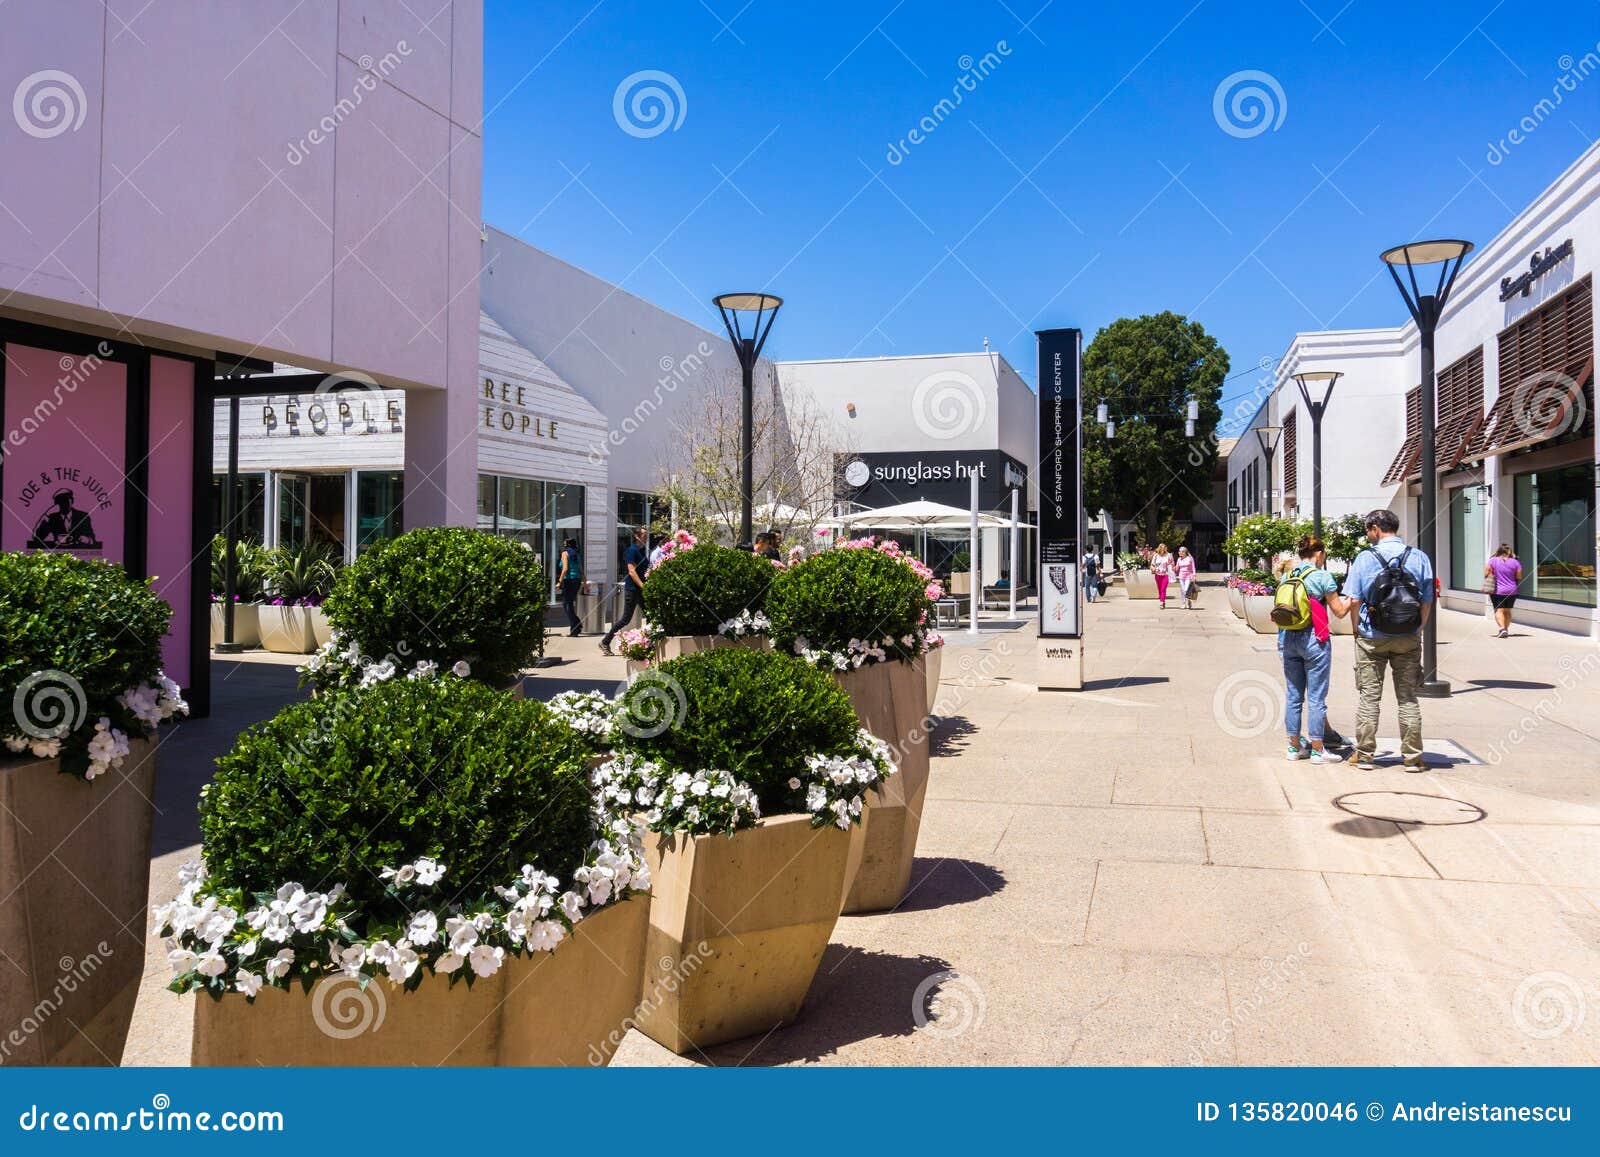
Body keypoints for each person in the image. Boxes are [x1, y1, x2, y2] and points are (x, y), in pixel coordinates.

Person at [1342, 508, 1434, 770]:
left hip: (1372, 636)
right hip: (1408, 636)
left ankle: (1365, 755)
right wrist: (1418, 629)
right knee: (1408, 698)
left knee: (1369, 697)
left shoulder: (1365, 558)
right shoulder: (1419, 557)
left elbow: (1355, 599)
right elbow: (1426, 601)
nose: (1367, 534)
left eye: (1367, 530)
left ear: (1376, 528)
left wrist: (1356, 629)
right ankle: (1413, 758)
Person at [1276, 536, 1346, 764]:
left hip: (1289, 640)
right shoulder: (1322, 576)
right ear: (1319, 554)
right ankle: (1317, 750)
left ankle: (1294, 748)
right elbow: (1339, 611)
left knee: (1294, 696)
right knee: (1316, 698)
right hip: (1315, 640)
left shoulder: (1287, 576)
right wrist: (1353, 599)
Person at [600, 527, 650, 655]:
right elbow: (632, 571)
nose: (647, 536)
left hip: (640, 589)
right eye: (644, 534)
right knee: (625, 619)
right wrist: (642, 586)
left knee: (651, 614)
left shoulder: (642, 550)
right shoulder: (631, 551)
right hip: (633, 590)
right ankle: (605, 641)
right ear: (637, 536)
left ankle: (649, 642)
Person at [1484, 543, 1522, 639]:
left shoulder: (1492, 560)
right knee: (1507, 610)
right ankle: (1505, 629)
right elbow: (1519, 576)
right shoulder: (1515, 562)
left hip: (1497, 590)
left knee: (1499, 610)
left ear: (1498, 552)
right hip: (1512, 590)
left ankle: (1502, 629)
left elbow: (1486, 573)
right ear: (1509, 552)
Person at [557, 537, 584, 637]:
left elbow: (565, 569)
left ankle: (576, 624)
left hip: (569, 581)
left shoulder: (565, 553)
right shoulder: (577, 554)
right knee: (569, 604)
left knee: (566, 604)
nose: (564, 546)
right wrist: (585, 583)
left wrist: (559, 582)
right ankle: (575, 628)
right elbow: (581, 570)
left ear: (567, 545)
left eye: (564, 544)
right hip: (577, 581)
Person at [1150, 543, 1175, 608]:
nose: (1163, 550)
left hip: (1166, 574)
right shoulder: (1156, 555)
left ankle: (1161, 602)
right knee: (1159, 589)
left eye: (1164, 548)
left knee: (1163, 588)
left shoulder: (1169, 555)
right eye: (1162, 548)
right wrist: (1154, 569)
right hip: (1158, 574)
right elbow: (1152, 565)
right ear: (1159, 548)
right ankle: (1163, 601)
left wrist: (1169, 564)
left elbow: (1172, 563)